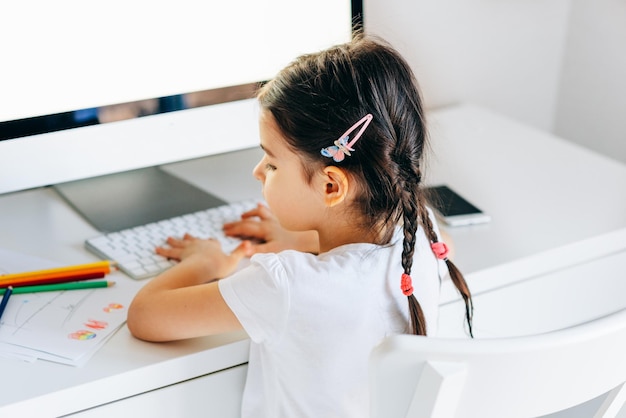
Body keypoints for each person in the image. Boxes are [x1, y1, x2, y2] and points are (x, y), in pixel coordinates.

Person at [127, 33, 473, 417]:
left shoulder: (284, 284)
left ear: (331, 185)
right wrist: (299, 237)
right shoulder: (423, 233)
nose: (257, 171)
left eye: (272, 163)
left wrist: (205, 262)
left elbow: (146, 317)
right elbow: (447, 248)